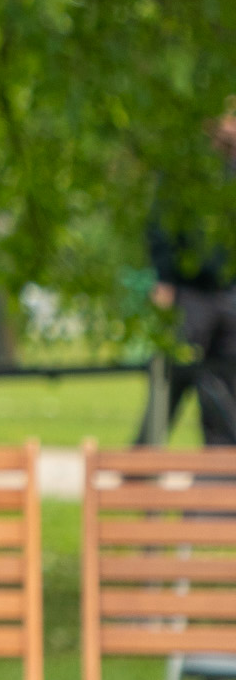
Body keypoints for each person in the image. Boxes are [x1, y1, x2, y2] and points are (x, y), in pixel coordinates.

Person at [146, 98, 236, 446]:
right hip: (190, 294)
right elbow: (160, 224)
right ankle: (141, 467)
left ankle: (214, 490)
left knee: (224, 391)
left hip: (230, 295)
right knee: (172, 379)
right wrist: (165, 279)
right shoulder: (187, 169)